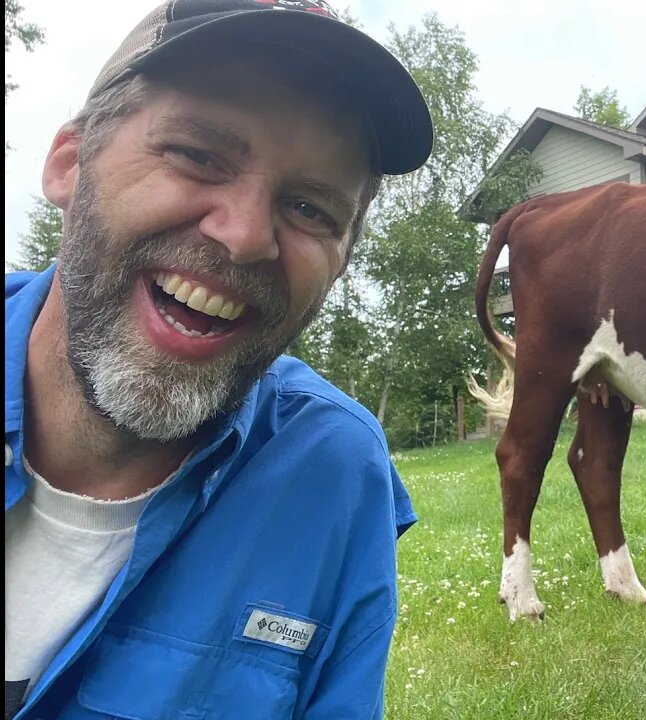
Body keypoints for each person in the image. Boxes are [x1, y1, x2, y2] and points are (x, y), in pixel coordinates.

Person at [4, 1, 432, 717]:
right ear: (70, 164)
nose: (244, 237)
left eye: (309, 208)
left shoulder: (333, 474)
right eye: (199, 156)